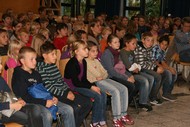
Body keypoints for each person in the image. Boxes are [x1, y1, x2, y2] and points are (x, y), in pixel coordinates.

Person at [12, 46, 76, 127]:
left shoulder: (36, 74)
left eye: (35, 59)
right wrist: (44, 102)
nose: (35, 62)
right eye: (31, 59)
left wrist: (52, 97)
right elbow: (24, 96)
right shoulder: (19, 74)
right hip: (30, 102)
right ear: (22, 61)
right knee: (47, 115)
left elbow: (44, 89)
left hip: (43, 99)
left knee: (68, 109)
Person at [36, 43, 92, 127]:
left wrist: (69, 91)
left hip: (65, 91)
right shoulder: (41, 69)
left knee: (88, 103)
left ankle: (75, 124)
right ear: (45, 55)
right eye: (53, 54)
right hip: (55, 94)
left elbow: (61, 81)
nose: (55, 56)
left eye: (55, 54)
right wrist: (66, 94)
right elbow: (49, 87)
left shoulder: (53, 66)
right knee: (75, 108)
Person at [86, 41, 134, 127]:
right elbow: (95, 76)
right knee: (115, 91)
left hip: (104, 79)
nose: (96, 53)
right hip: (96, 82)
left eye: (97, 51)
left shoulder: (96, 61)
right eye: (93, 51)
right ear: (87, 51)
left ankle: (123, 114)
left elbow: (105, 72)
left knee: (124, 89)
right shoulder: (86, 62)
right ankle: (116, 118)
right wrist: (100, 76)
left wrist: (102, 76)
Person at [64, 40, 107, 127]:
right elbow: (76, 83)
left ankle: (101, 120)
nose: (87, 51)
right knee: (97, 95)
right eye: (84, 49)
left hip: (80, 84)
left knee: (102, 93)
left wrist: (93, 86)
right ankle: (94, 122)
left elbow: (84, 79)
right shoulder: (72, 63)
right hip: (72, 87)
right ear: (76, 52)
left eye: (87, 49)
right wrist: (91, 87)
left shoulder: (83, 61)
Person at [120, 33, 153, 111]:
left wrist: (137, 67)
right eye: (133, 43)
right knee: (144, 80)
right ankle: (142, 102)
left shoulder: (132, 51)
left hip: (135, 71)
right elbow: (128, 66)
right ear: (127, 43)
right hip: (128, 73)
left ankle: (143, 97)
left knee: (151, 78)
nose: (135, 45)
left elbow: (136, 62)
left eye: (135, 43)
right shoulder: (123, 52)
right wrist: (135, 68)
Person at [101, 34, 136, 104]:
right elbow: (111, 72)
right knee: (131, 86)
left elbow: (122, 68)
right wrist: (126, 78)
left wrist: (129, 75)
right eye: (115, 42)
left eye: (118, 42)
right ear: (109, 44)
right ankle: (121, 104)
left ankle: (125, 102)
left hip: (118, 74)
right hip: (110, 77)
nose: (118, 44)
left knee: (136, 82)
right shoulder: (107, 54)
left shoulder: (117, 52)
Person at [134, 32, 163, 105]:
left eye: (152, 41)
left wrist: (157, 67)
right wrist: (155, 69)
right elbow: (142, 64)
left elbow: (152, 60)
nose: (150, 42)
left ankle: (153, 95)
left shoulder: (149, 48)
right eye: (148, 40)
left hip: (148, 67)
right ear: (143, 40)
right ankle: (150, 98)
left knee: (165, 73)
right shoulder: (139, 48)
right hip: (140, 68)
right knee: (156, 77)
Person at [152, 35, 177, 101]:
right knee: (168, 73)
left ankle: (168, 92)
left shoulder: (162, 51)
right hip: (153, 66)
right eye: (162, 44)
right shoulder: (156, 48)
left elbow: (162, 61)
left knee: (174, 72)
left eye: (165, 45)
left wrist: (169, 68)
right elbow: (155, 62)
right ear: (159, 43)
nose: (163, 46)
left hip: (159, 66)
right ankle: (165, 93)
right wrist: (167, 69)